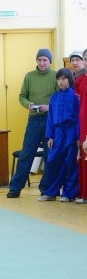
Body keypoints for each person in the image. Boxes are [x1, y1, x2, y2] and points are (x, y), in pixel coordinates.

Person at [6, 49, 59, 198]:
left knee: (50, 156)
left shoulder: (56, 76)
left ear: (50, 62)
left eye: (45, 60)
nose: (42, 63)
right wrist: (29, 104)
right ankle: (15, 187)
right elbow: (22, 96)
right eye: (40, 60)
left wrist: (49, 107)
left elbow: (58, 97)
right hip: (34, 120)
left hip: (50, 120)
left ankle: (46, 189)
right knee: (26, 154)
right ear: (36, 61)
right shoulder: (29, 76)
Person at [38, 68, 80, 202]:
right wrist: (50, 136)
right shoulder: (54, 98)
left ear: (69, 80)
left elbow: (79, 117)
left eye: (64, 79)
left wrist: (78, 137)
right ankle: (51, 192)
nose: (61, 82)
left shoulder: (75, 96)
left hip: (71, 131)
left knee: (70, 162)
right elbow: (50, 118)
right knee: (52, 161)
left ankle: (68, 193)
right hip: (57, 133)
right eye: (59, 79)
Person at [76, 48, 87, 204]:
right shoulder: (80, 80)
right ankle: (84, 194)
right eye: (86, 58)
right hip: (83, 121)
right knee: (84, 153)